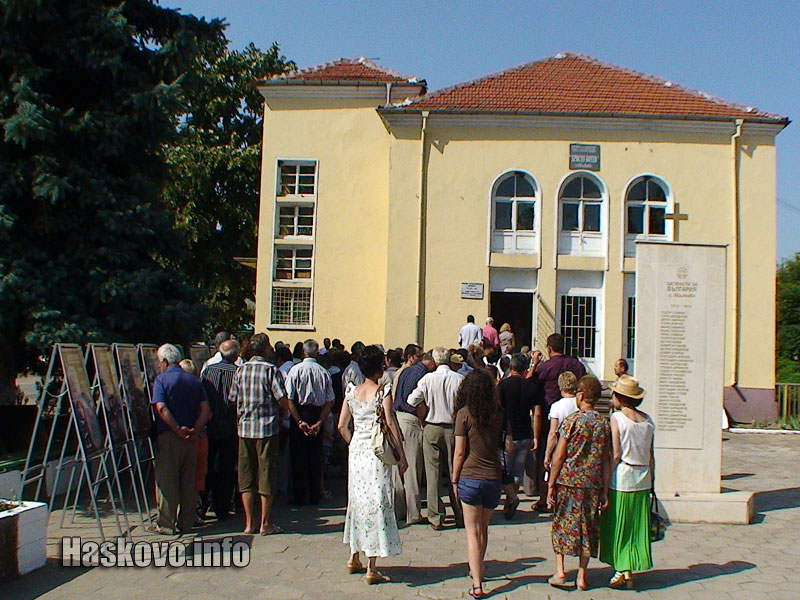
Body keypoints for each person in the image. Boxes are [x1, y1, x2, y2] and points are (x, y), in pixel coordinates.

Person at [339, 345, 406, 585]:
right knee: (377, 499)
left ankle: (353, 555)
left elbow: (341, 425)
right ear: (379, 366)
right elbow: (389, 423)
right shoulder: (382, 391)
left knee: (357, 499)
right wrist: (400, 454)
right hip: (376, 452)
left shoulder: (351, 392)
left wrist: (354, 443)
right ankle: (371, 565)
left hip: (357, 449)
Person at [547, 375, 611, 591]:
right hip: (592, 483)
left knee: (562, 524)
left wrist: (551, 484)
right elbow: (605, 459)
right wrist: (604, 488)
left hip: (568, 481)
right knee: (588, 528)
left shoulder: (572, 421)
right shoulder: (603, 424)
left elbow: (559, 455)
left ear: (581, 395)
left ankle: (560, 570)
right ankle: (582, 576)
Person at [451, 369, 511, 599]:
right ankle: (479, 568)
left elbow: (459, 452)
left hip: (470, 476)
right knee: (483, 528)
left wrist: (454, 479)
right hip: (493, 477)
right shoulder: (498, 413)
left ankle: (477, 583)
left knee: (472, 532)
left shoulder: (464, 414)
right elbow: (507, 445)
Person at [229, 333, 288, 534]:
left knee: (246, 476)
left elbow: (232, 398)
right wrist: (281, 414)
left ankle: (248, 523)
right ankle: (265, 522)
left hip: (245, 428)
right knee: (266, 475)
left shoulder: (241, 370)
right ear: (264, 349)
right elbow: (282, 399)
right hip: (266, 428)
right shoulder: (271, 370)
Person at [600, 375, 655, 589]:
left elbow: (615, 453)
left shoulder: (617, 418)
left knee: (618, 524)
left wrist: (605, 482)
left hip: (622, 475)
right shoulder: (648, 420)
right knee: (635, 525)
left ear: (621, 397)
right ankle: (629, 567)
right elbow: (651, 454)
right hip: (643, 476)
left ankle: (622, 568)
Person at [150, 344, 210, 534]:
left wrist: (176, 428)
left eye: (160, 362)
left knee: (167, 481)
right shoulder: (193, 380)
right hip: (192, 438)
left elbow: (161, 407)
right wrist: (196, 430)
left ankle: (166, 524)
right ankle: (187, 521)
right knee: (188, 481)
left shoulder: (161, 380)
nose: (159, 366)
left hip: (169, 436)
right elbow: (206, 409)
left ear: (166, 361)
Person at [527, 333, 587, 511]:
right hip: (576, 415)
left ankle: (545, 497)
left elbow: (530, 385)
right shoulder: (576, 365)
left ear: (549, 348)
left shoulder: (546, 367)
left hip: (550, 417)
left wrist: (534, 364)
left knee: (548, 461)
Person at [407, 347, 465, 529]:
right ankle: (460, 513)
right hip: (454, 427)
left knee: (433, 475)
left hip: (432, 425)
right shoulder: (459, 379)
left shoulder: (427, 379)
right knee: (455, 473)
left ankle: (435, 516)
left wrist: (425, 410)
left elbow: (412, 400)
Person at [284, 339, 335, 505]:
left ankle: (299, 495)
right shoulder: (323, 372)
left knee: (298, 457)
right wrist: (320, 422)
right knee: (315, 457)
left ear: (303, 352)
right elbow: (330, 400)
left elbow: (289, 398)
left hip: (300, 412)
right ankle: (315, 493)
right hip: (316, 413)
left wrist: (298, 421)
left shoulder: (295, 370)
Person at [496, 353, 542, 519]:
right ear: (524, 369)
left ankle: (511, 498)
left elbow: (497, 409)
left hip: (506, 434)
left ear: (511, 367)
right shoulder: (531, 387)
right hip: (524, 434)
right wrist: (536, 436)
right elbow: (537, 414)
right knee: (516, 472)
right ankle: (510, 501)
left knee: (503, 471)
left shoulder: (502, 386)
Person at [392, 351, 435, 525]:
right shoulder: (422, 374)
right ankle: (413, 512)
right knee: (412, 467)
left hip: (398, 417)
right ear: (431, 362)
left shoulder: (406, 371)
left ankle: (398, 509)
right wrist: (422, 420)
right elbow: (416, 401)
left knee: (398, 467)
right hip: (410, 419)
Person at [201, 339, 241, 520]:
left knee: (207, 467)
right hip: (230, 427)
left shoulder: (209, 371)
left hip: (209, 426)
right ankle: (222, 506)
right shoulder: (237, 372)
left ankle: (202, 503)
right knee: (226, 469)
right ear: (235, 355)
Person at [544, 371, 579, 471]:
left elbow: (553, 433)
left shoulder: (557, 406)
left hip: (561, 449)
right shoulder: (580, 403)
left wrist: (547, 454)